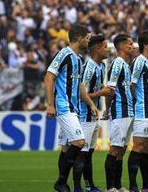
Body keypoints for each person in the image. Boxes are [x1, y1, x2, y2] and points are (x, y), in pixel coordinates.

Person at [46, 25, 97, 192]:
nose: (89, 40)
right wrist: (51, 104)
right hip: (63, 106)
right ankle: (61, 182)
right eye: (87, 37)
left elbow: (80, 85)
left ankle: (63, 183)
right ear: (80, 38)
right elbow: (49, 77)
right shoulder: (64, 54)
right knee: (80, 142)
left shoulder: (79, 59)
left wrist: (90, 103)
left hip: (74, 109)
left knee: (67, 147)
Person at [73, 35, 112, 192]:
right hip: (84, 116)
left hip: (94, 115)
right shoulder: (88, 67)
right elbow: (81, 93)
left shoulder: (101, 66)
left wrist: (105, 91)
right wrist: (101, 92)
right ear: (96, 49)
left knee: (88, 153)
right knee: (82, 153)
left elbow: (96, 89)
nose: (107, 49)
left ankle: (89, 185)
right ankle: (77, 188)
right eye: (104, 46)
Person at [129, 31, 148, 192]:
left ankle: (147, 185)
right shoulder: (139, 62)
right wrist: (138, 103)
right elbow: (132, 85)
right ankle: (133, 185)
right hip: (142, 111)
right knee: (138, 146)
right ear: (145, 45)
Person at [105, 34, 136, 192]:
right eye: (130, 44)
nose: (133, 46)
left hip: (128, 111)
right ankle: (110, 187)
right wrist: (106, 109)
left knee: (122, 150)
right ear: (122, 47)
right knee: (115, 149)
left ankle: (117, 185)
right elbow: (110, 89)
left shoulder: (125, 64)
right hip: (119, 111)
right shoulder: (117, 63)